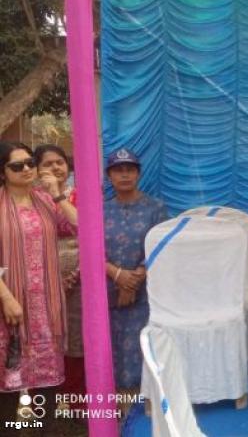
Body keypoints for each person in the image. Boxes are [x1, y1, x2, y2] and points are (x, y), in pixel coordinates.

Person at [0, 142, 77, 420]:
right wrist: (6, 298)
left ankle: (43, 423)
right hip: (8, 299)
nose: (27, 169)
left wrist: (57, 194)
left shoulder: (45, 200)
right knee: (8, 365)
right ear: (3, 172)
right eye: (17, 165)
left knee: (45, 370)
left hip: (45, 302)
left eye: (30, 162)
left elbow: (81, 227)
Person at [102, 148, 167, 406]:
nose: (125, 175)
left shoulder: (155, 208)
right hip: (108, 294)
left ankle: (147, 408)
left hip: (145, 295)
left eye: (130, 170)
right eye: (118, 170)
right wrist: (118, 275)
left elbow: (161, 246)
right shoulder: (100, 210)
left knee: (143, 345)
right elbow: (91, 249)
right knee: (112, 349)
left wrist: (133, 281)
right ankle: (118, 410)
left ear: (138, 174)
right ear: (109, 176)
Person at [33, 144, 85, 408]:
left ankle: (75, 402)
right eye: (48, 163)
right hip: (39, 281)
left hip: (79, 281)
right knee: (44, 338)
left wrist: (57, 194)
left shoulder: (81, 194)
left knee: (76, 338)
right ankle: (43, 402)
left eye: (60, 162)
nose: (55, 167)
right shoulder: (29, 199)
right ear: (36, 169)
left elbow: (84, 227)